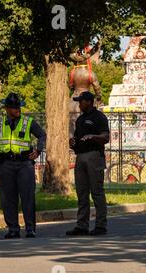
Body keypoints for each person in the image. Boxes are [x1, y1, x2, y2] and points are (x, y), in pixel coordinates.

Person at [0, 93, 46, 239]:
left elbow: (42, 135)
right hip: (5, 164)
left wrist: (38, 150)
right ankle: (13, 229)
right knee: (8, 198)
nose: (17, 109)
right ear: (6, 108)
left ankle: (30, 228)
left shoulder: (28, 122)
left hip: (24, 164)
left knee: (27, 197)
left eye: (18, 106)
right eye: (13, 107)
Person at [66, 91, 110, 236]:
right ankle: (82, 225)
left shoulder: (99, 117)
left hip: (94, 156)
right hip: (80, 156)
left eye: (81, 101)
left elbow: (105, 137)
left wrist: (94, 137)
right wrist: (73, 143)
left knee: (97, 191)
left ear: (89, 102)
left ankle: (100, 225)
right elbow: (78, 140)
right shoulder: (80, 120)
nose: (79, 104)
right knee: (82, 192)